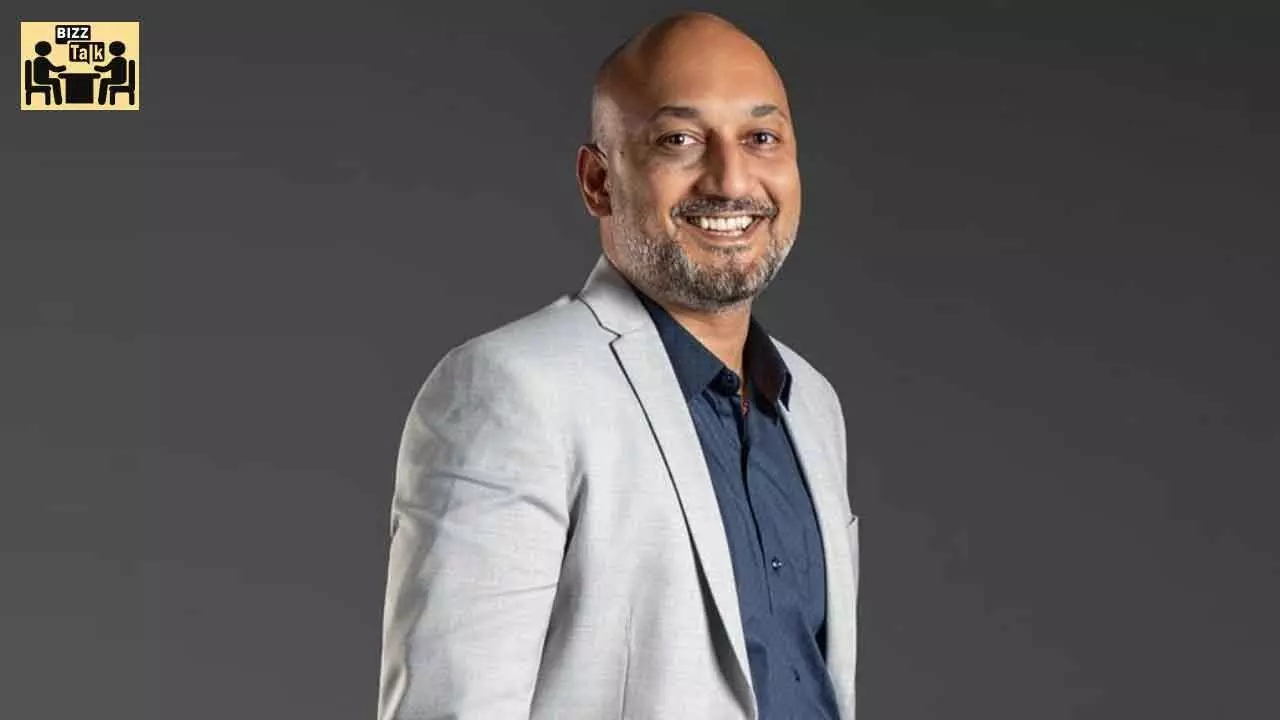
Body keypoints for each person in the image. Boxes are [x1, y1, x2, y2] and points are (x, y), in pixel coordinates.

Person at [377, 11, 858, 719]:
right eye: (679, 140)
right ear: (599, 180)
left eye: (761, 138)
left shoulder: (811, 404)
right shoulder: (511, 390)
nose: (731, 179)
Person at [94, 41, 129, 105]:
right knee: (104, 81)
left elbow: (106, 69)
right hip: (122, 79)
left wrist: (96, 68)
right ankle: (101, 101)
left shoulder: (115, 60)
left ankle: (101, 100)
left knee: (104, 81)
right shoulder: (123, 60)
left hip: (117, 80)